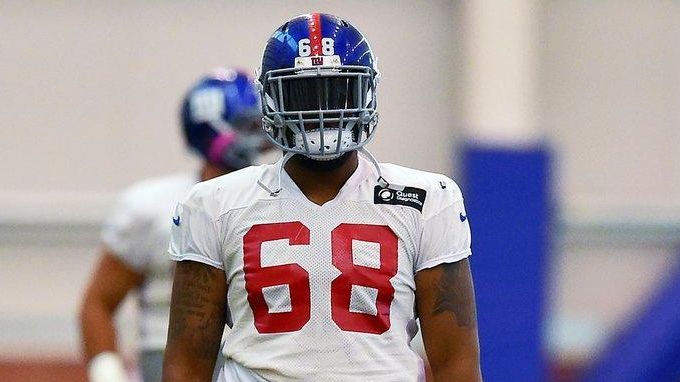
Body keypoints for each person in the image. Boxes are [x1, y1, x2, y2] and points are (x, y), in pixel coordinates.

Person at [163, 13, 481, 382]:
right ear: (271, 100)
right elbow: (186, 364)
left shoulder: (427, 200)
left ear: (366, 92)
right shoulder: (213, 204)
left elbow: (457, 363)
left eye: (337, 90)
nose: (321, 109)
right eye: (303, 93)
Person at [79, 68, 267, 382]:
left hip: (257, 359)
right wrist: (108, 375)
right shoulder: (153, 207)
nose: (259, 135)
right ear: (210, 128)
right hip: (166, 361)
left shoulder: (279, 198)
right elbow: (97, 304)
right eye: (247, 125)